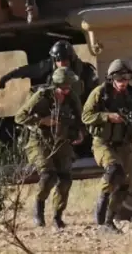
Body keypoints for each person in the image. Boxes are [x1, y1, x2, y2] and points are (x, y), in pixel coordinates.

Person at [81, 59, 132, 233]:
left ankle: (109, 220)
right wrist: (107, 117)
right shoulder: (100, 94)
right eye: (120, 79)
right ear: (112, 78)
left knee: (126, 182)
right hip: (103, 142)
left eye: (126, 79)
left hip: (124, 144)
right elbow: (86, 116)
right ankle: (102, 202)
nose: (123, 83)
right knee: (114, 170)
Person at [14, 66, 85, 230]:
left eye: (69, 87)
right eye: (64, 87)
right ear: (57, 85)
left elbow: (80, 120)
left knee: (65, 180)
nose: (67, 90)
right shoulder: (42, 96)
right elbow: (19, 117)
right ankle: (39, 209)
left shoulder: (72, 98)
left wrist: (80, 133)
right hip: (39, 141)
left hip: (62, 140)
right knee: (48, 176)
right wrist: (42, 121)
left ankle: (57, 216)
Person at [0, 40, 99, 103]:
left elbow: (95, 92)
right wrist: (8, 77)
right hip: (55, 106)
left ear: (71, 59)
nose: (61, 63)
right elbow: (30, 70)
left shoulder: (85, 70)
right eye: (58, 60)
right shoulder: (50, 65)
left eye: (64, 60)